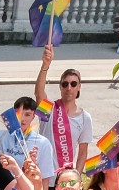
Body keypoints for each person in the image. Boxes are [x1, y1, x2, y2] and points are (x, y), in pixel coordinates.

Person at [34, 47, 93, 175]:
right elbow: (39, 94)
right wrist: (45, 66)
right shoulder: (49, 109)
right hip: (42, 177)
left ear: (79, 87)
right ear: (60, 87)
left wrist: (76, 177)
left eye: (73, 84)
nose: (69, 88)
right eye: (65, 84)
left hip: (64, 180)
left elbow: (83, 152)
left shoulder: (85, 118)